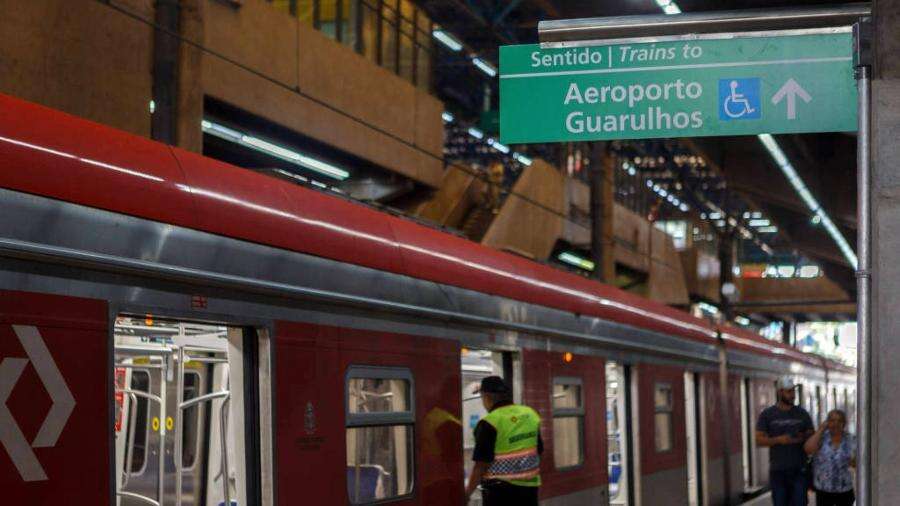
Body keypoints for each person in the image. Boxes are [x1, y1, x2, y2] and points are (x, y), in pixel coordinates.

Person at [464, 376, 542, 505]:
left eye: (482, 398)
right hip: (530, 491)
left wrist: (467, 494)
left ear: (487, 397)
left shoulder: (489, 422)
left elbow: (481, 465)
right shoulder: (530, 414)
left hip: (500, 494)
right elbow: (538, 451)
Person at [755, 377, 814, 506]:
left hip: (800, 469)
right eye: (789, 392)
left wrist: (802, 436)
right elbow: (758, 440)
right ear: (780, 392)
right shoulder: (767, 414)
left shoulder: (802, 414)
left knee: (800, 503)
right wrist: (778, 440)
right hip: (778, 470)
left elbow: (811, 435)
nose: (793, 395)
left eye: (793, 392)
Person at [804, 409, 856, 506]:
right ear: (827, 422)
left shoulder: (851, 439)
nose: (835, 424)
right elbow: (808, 449)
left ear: (844, 424)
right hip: (824, 490)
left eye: (839, 421)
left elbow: (858, 461)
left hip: (844, 489)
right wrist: (821, 430)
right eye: (832, 420)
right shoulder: (821, 438)